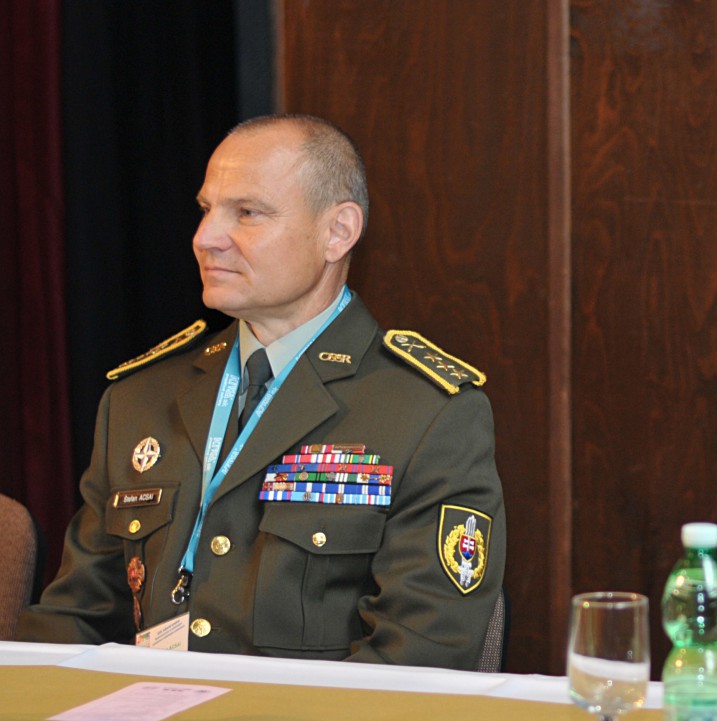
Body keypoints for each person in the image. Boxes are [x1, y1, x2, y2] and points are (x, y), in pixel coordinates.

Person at [18, 114, 506, 668]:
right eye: (206, 209)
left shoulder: (427, 412)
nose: (205, 238)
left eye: (247, 213)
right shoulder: (139, 399)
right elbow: (76, 617)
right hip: (146, 717)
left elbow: (417, 657)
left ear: (338, 232)